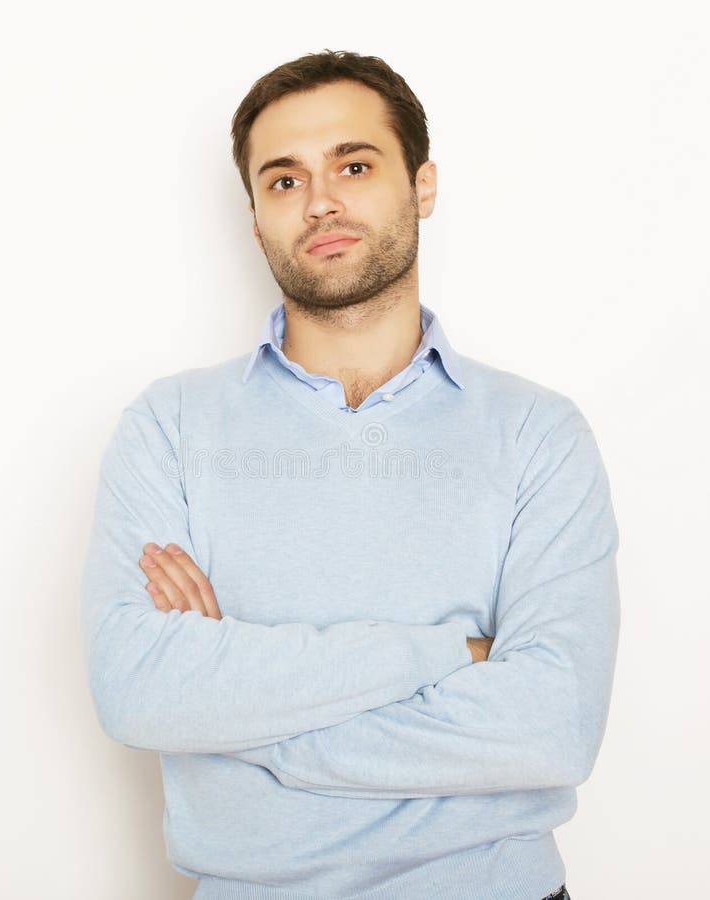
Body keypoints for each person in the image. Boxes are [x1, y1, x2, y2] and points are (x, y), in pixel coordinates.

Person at [81, 49, 617, 900]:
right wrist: (450, 655)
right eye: (284, 181)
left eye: (355, 165)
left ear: (423, 185)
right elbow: (138, 690)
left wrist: (237, 718)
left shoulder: (538, 432)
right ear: (256, 219)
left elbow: (551, 727)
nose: (321, 201)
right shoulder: (170, 425)